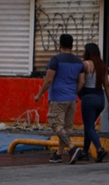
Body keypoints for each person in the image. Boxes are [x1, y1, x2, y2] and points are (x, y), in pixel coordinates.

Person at [35, 33, 84, 164]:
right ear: (72, 45)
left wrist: (39, 94)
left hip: (58, 98)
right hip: (72, 99)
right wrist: (73, 92)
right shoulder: (78, 61)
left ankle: (72, 148)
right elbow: (82, 82)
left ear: (60, 45)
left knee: (56, 125)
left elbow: (48, 80)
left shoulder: (55, 59)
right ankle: (58, 154)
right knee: (66, 129)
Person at [77, 43, 109, 163]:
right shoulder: (102, 65)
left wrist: (75, 92)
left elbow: (81, 82)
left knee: (88, 127)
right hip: (100, 98)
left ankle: (99, 149)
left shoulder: (85, 64)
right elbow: (106, 85)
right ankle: (84, 152)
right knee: (90, 125)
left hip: (88, 98)